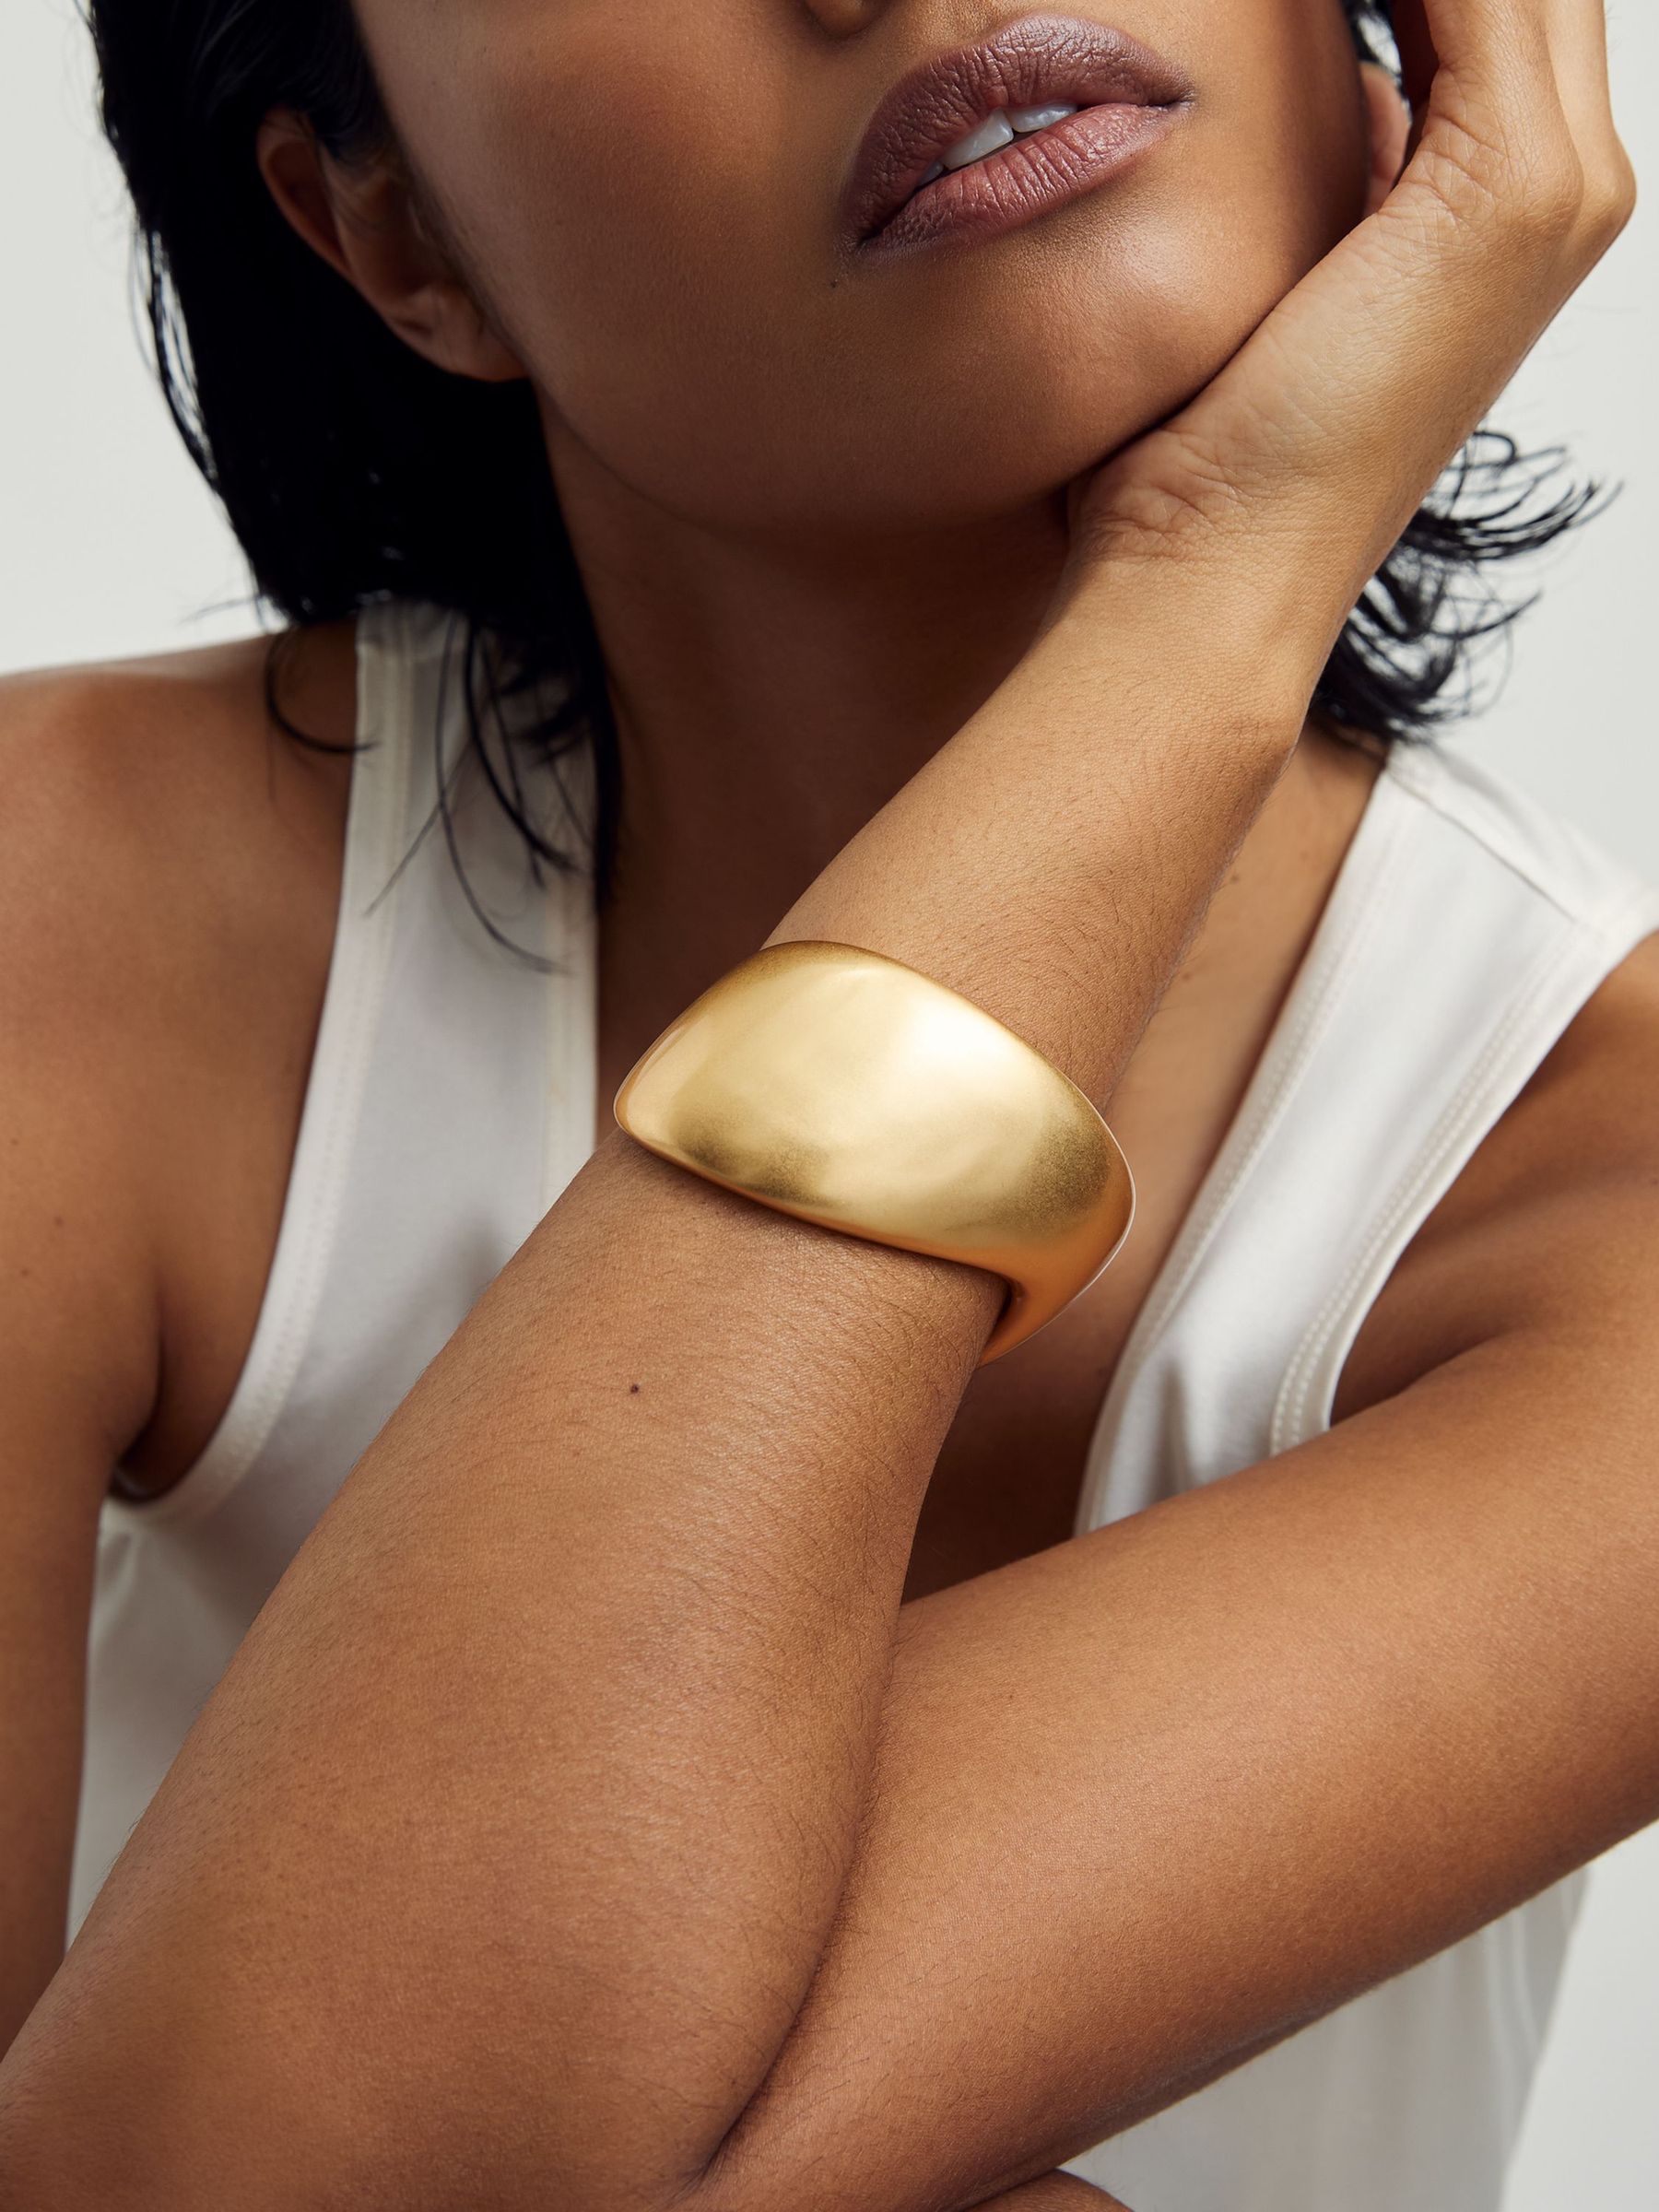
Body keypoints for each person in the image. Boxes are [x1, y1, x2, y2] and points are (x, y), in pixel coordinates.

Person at [0, 0, 1651, 2206]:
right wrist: (1207, 600)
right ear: (395, 233)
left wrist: (1215, 579)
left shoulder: (1615, 1185)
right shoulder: (66, 915)